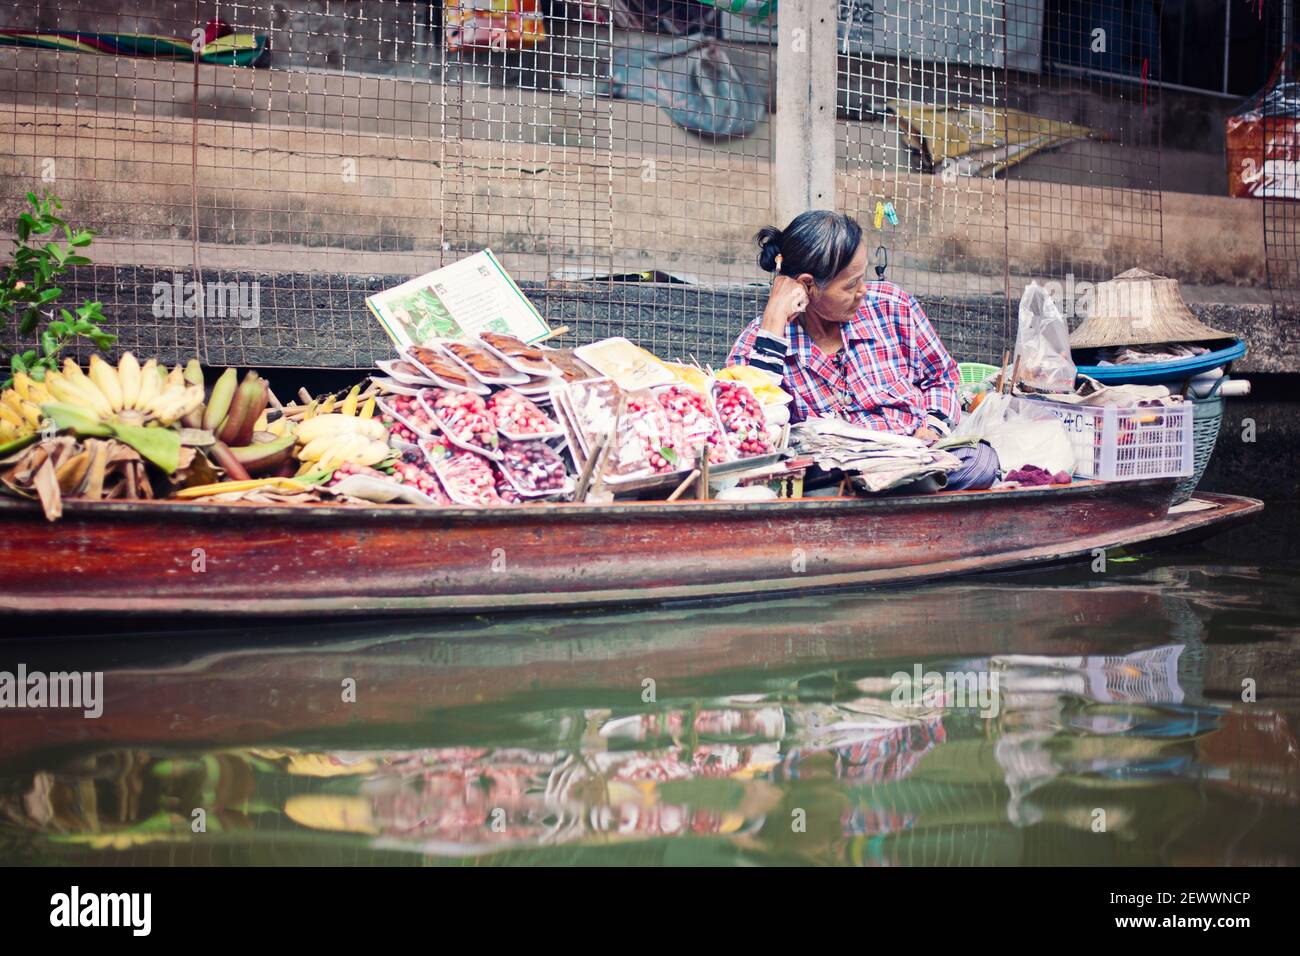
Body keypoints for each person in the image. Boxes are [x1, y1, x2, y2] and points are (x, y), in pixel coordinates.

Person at [728, 210, 960, 440]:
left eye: (862, 276)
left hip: (915, 458)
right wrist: (774, 319)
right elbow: (747, 431)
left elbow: (942, 377)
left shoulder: (892, 306)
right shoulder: (757, 342)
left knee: (979, 461)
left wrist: (933, 429)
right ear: (808, 285)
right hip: (832, 473)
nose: (863, 290)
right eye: (851, 285)